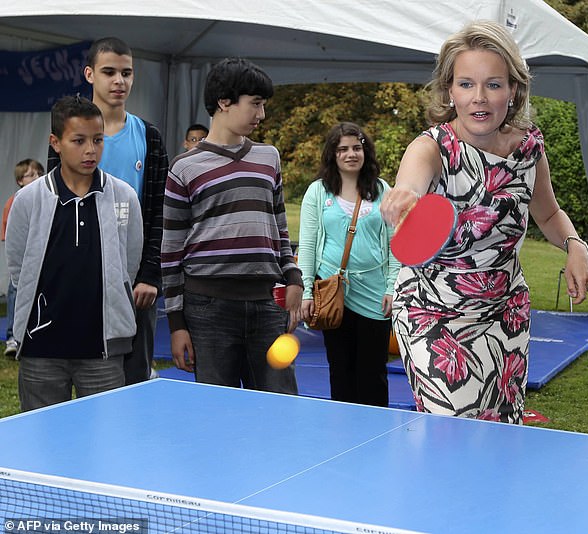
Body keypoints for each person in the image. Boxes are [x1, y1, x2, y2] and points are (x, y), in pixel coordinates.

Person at [380, 20, 588, 424]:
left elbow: (548, 213)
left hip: (505, 311)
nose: (479, 98)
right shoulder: (432, 148)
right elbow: (411, 182)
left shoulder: (529, 149)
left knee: (500, 432)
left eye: (493, 84)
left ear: (513, 90)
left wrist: (575, 245)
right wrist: (404, 197)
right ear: (449, 90)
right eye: (466, 84)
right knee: (453, 431)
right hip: (433, 313)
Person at [162, 57, 302, 394]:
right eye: (255, 103)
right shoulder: (184, 167)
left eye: (263, 104)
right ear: (224, 102)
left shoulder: (270, 157)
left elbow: (279, 227)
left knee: (280, 411)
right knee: (216, 416)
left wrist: (293, 277)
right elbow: (170, 253)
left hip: (268, 306)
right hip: (208, 309)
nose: (262, 114)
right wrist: (176, 324)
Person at [6, 95, 143, 411]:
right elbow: (18, 266)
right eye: (78, 140)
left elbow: (130, 262)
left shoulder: (124, 195)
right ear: (55, 142)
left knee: (106, 444)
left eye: (98, 140)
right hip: (41, 347)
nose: (90, 150)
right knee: (41, 444)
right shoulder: (28, 200)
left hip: (103, 350)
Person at [48, 37, 169, 385]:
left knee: (134, 377)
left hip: (132, 280)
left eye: (126, 73)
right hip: (79, 273)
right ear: (89, 74)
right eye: (109, 72)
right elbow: (55, 205)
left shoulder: (148, 135)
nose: (119, 81)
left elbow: (160, 212)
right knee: (79, 375)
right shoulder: (67, 133)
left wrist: (150, 274)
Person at [298, 122, 399, 407]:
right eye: (342, 149)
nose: (350, 154)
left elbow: (396, 244)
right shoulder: (318, 192)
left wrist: (392, 287)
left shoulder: (382, 190)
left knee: (373, 374)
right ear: (333, 154)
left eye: (356, 147)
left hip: (375, 295)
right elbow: (306, 245)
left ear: (365, 151)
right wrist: (306, 291)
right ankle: (341, 433)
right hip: (332, 293)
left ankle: (375, 436)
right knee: (340, 371)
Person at [2, 159, 44, 358]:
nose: (36, 178)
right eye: (31, 175)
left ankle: (35, 332)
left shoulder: (47, 199)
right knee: (15, 293)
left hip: (41, 260)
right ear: (20, 180)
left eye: (38, 173)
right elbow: (11, 236)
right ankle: (13, 336)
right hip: (24, 261)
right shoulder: (16, 201)